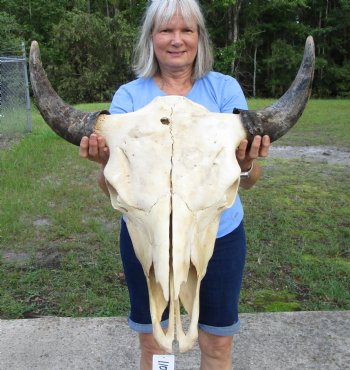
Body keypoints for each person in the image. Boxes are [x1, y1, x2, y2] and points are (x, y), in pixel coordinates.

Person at [79, 1, 270, 369]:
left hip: (218, 237)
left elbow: (248, 181)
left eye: (187, 30)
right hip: (146, 239)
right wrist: (106, 164)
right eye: (166, 30)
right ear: (151, 38)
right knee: (155, 346)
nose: (177, 40)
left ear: (199, 38)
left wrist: (246, 163)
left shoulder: (224, 91)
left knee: (216, 345)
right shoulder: (129, 98)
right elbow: (113, 189)